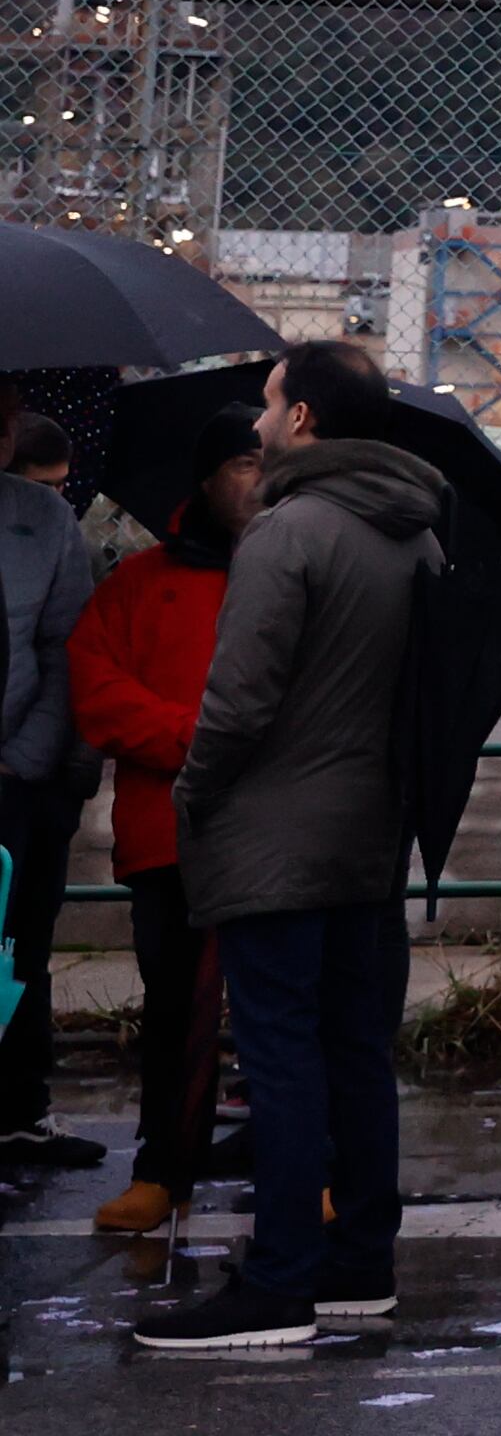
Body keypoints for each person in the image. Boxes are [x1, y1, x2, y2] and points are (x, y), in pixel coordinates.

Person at [133, 345, 448, 1351]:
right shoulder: (417, 535)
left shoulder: (287, 533)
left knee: (279, 1056)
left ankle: (278, 1282)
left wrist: (196, 795)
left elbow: (239, 699)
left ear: (303, 419)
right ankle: (360, 1260)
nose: (258, 423)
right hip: (369, 828)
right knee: (356, 1049)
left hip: (273, 830)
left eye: (268, 405)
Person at [68, 409, 251, 1236]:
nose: (260, 480)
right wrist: (196, 741)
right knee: (176, 1006)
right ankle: (162, 1170)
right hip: (169, 834)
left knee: (288, 1009)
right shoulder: (141, 584)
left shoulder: (308, 574)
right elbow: (96, 688)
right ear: (208, 479)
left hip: (278, 833)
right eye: (244, 464)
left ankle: (301, 1165)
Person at [0, 373, 99, 1173]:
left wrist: (24, 761)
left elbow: (64, 649)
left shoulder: (42, 519)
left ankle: (18, 1110)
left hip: (18, 783)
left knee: (20, 946)